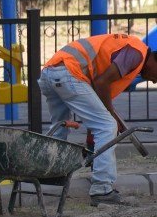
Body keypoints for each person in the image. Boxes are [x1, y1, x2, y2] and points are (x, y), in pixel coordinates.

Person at [39, 33, 157, 206]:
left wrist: (94, 139)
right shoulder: (136, 53)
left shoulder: (131, 50)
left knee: (60, 125)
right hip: (69, 73)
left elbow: (95, 96)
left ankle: (51, 172)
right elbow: (101, 83)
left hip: (51, 71)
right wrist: (111, 117)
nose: (154, 82)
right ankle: (102, 190)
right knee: (107, 125)